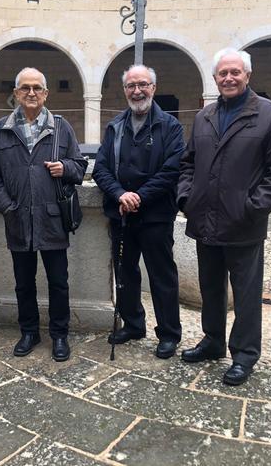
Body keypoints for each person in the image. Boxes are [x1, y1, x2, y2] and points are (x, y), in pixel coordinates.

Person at [178, 48, 271, 385]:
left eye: (235, 73)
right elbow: (187, 163)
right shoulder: (205, 116)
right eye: (222, 74)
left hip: (244, 224)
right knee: (210, 288)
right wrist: (186, 198)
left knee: (245, 295)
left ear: (247, 76)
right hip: (204, 221)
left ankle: (244, 355)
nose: (228, 78)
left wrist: (252, 207)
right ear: (215, 79)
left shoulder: (269, 115)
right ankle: (212, 341)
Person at [0, 67, 86, 362]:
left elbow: (79, 166)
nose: (31, 93)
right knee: (23, 282)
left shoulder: (62, 127)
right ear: (15, 94)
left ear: (45, 93)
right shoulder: (0, 130)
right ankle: (29, 332)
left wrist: (65, 168)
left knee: (58, 282)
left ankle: (60, 335)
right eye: (25, 88)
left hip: (52, 219)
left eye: (37, 88)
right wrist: (7, 206)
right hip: (18, 220)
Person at [92, 64, 184, 359]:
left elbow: (172, 170)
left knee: (161, 276)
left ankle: (169, 334)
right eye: (131, 86)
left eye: (143, 84)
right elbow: (101, 168)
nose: (137, 90)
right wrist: (120, 194)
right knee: (125, 273)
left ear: (153, 88)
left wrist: (139, 197)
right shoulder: (115, 126)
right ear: (125, 91)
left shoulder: (171, 126)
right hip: (121, 213)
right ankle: (134, 324)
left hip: (155, 215)